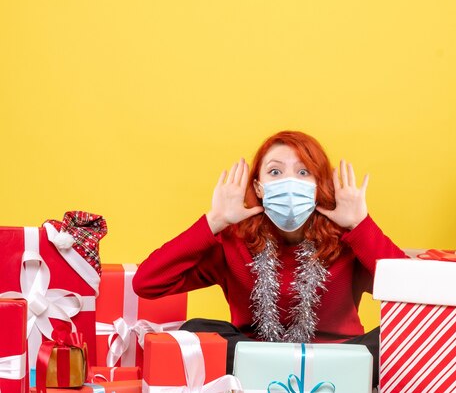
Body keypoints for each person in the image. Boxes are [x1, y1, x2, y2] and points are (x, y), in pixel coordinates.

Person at [133, 130, 406, 387]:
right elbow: (147, 282)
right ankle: (287, 376)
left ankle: (292, 377)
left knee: (400, 338)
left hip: (338, 357)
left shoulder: (346, 241)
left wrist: (360, 224)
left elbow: (416, 292)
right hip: (254, 354)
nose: (290, 182)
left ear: (318, 185)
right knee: (194, 332)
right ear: (259, 187)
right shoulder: (234, 241)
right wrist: (214, 221)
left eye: (303, 172)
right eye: (275, 172)